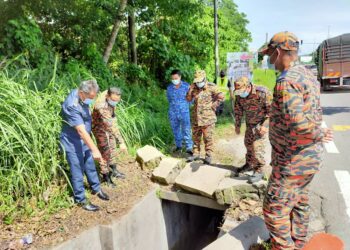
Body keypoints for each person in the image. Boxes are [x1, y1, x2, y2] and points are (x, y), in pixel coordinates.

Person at [260, 31, 333, 249]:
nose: (269, 59)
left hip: (292, 161)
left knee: (274, 210)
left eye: (270, 53)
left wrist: (320, 134)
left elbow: (298, 123)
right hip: (309, 159)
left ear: (280, 51)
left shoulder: (286, 81)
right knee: (299, 202)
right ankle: (299, 244)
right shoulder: (307, 75)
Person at [60, 80, 110, 212]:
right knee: (77, 168)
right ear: (82, 93)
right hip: (72, 140)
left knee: (89, 163)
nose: (92, 101)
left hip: (85, 139)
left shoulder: (83, 97)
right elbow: (80, 130)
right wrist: (95, 150)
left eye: (94, 98)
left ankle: (96, 188)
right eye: (90, 98)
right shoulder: (72, 105)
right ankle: (80, 199)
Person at [234, 76, 272, 183]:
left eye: (241, 90)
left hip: (261, 123)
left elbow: (272, 110)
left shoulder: (262, 93)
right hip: (250, 123)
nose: (240, 93)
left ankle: (259, 170)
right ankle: (250, 164)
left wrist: (265, 125)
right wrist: (237, 125)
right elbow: (238, 110)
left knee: (257, 147)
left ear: (248, 86)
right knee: (248, 144)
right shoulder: (239, 94)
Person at [186, 70, 224, 165]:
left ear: (204, 78)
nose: (198, 83)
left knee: (208, 137)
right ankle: (196, 153)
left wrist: (214, 106)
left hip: (208, 118)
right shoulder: (193, 87)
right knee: (195, 137)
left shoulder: (212, 87)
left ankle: (208, 155)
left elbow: (221, 97)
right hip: (196, 118)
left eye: (200, 81)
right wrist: (190, 90)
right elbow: (188, 99)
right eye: (197, 81)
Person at [92, 87, 127, 188]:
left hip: (108, 124)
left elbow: (113, 118)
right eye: (113, 100)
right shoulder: (101, 106)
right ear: (107, 96)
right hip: (99, 128)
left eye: (117, 101)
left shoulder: (111, 98)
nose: (115, 102)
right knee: (105, 152)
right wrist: (121, 141)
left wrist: (117, 140)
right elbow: (110, 125)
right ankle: (106, 176)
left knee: (112, 147)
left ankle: (114, 170)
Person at [166, 69, 193, 155]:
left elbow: (191, 100)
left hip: (184, 113)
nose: (174, 80)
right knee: (175, 129)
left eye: (176, 78)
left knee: (186, 129)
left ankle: (189, 147)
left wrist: (184, 106)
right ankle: (179, 146)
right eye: (173, 78)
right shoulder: (169, 88)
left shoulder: (187, 86)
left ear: (180, 77)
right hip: (173, 113)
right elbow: (169, 99)